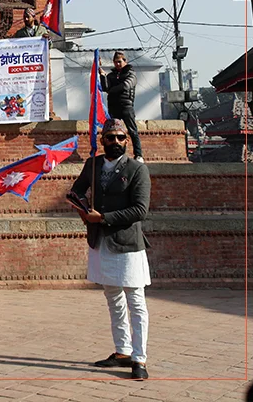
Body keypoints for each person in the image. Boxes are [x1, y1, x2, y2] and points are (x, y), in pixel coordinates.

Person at [70, 118, 152, 380]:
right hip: (100, 240)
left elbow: (140, 210)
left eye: (120, 137)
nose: (115, 142)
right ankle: (122, 351)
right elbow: (76, 191)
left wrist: (103, 218)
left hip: (127, 241)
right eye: (110, 137)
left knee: (135, 301)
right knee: (113, 299)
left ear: (127, 140)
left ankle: (139, 358)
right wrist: (82, 209)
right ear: (102, 140)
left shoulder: (137, 169)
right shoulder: (92, 165)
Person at [101, 51, 143, 162]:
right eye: (115, 62)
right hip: (113, 106)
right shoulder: (112, 75)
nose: (117, 64)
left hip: (126, 105)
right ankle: (114, 153)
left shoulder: (131, 74)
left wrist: (111, 90)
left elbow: (126, 86)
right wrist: (103, 76)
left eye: (119, 62)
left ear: (125, 61)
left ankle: (138, 154)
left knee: (132, 130)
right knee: (113, 132)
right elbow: (105, 88)